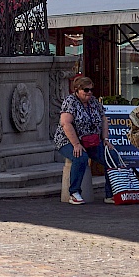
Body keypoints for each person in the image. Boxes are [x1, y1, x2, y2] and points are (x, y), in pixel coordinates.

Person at [52, 76, 111, 205]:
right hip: (68, 140)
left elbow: (104, 119)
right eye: (86, 90)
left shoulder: (93, 101)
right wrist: (76, 144)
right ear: (77, 90)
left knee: (110, 157)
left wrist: (105, 139)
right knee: (80, 157)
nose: (89, 93)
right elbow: (66, 124)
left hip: (92, 140)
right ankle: (74, 192)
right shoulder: (70, 101)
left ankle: (111, 193)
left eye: (91, 90)